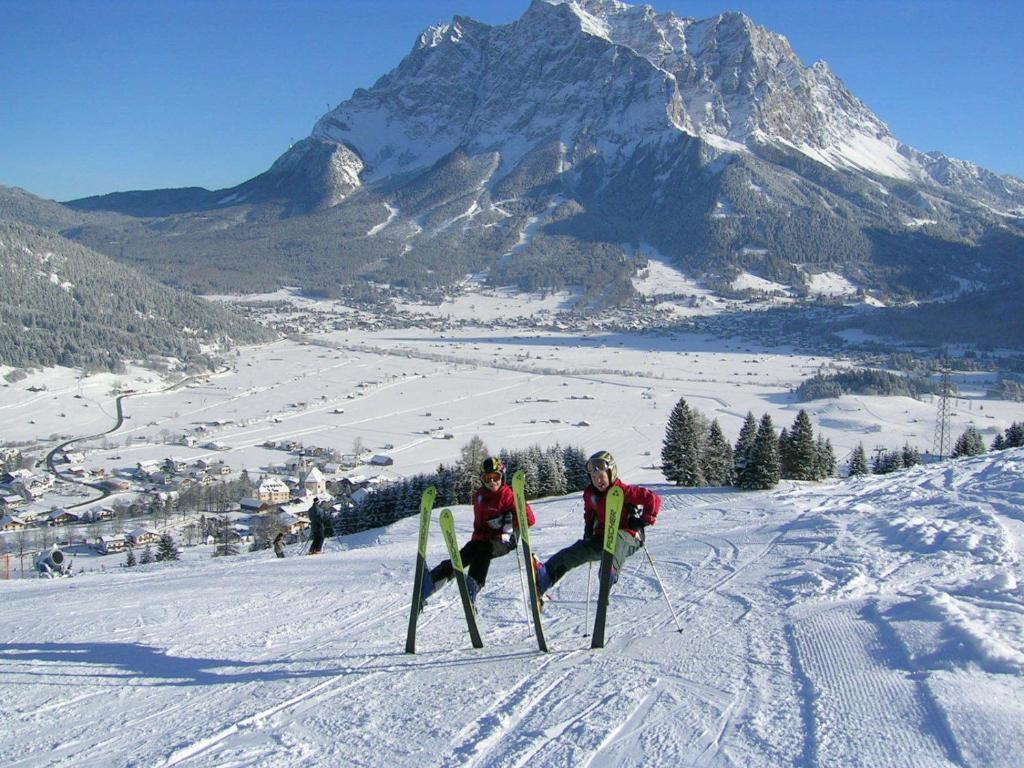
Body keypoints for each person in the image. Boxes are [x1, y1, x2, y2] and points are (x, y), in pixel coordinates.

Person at [534, 450, 660, 600]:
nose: (598, 480)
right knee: (575, 551)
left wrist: (644, 520)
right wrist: (588, 529)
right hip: (603, 538)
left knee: (618, 539)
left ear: (611, 473)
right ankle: (546, 576)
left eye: (601, 476)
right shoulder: (590, 494)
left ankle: (609, 571)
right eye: (594, 477)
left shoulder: (624, 491)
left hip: (629, 536)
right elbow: (590, 512)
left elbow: (653, 499)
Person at [421, 456, 535, 606]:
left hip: (504, 539)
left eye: (495, 477)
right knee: (462, 556)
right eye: (487, 478)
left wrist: (507, 520)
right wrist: (476, 540)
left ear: (502, 476)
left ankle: (473, 584)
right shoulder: (479, 496)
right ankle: (432, 582)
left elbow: (530, 520)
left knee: (484, 550)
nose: (492, 482)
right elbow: (480, 525)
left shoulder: (508, 496)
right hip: (482, 539)